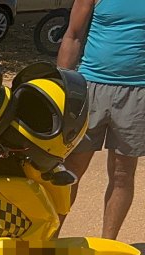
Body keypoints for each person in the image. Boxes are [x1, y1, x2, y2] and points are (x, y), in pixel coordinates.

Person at [57, 0, 145, 240]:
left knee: (122, 174)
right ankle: (47, 241)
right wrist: (62, 88)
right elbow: (73, 36)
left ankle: (107, 249)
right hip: (90, 87)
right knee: (70, 169)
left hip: (138, 93)